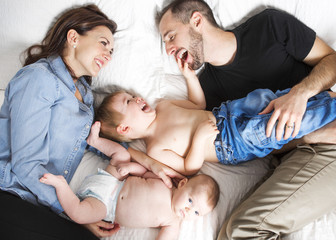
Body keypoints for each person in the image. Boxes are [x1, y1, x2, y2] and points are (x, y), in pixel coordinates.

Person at [156, 0, 336, 239]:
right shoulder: (210, 94)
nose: (168, 49)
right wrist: (306, 138)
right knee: (234, 233)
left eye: (170, 37)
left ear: (197, 21)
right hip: (301, 150)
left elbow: (331, 60)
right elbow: (249, 146)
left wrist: (299, 94)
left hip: (327, 127)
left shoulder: (269, 26)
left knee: (241, 232)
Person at [0, 4, 121, 240]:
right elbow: (26, 165)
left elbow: (96, 143)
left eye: (112, 50)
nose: (108, 54)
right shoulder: (39, 78)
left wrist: (149, 164)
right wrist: (73, 211)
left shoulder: (84, 95)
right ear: (73, 37)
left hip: (28, 200)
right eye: (103, 43)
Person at [94, 73, 336, 175]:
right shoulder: (156, 149)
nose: (136, 98)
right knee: (275, 125)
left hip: (231, 110)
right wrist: (199, 140)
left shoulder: (164, 105)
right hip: (232, 142)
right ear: (124, 129)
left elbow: (198, 105)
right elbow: (189, 168)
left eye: (131, 95)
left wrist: (189, 76)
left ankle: (322, 98)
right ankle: (330, 104)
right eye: (128, 101)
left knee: (273, 101)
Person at [39, 121, 219, 240]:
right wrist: (128, 168)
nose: (189, 211)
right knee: (122, 154)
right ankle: (95, 140)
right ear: (182, 184)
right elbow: (142, 172)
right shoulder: (165, 182)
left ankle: (60, 184)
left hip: (105, 206)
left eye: (196, 213)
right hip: (113, 179)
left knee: (79, 214)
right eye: (190, 201)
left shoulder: (172, 222)